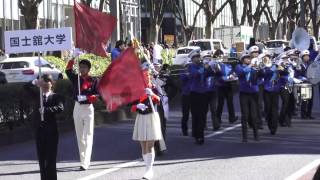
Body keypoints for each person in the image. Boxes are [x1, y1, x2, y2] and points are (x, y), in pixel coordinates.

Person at [24, 74, 64, 180]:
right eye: (43, 81)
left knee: (51, 159)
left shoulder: (56, 96)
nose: (45, 84)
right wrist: (35, 81)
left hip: (51, 132)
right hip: (39, 131)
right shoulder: (37, 95)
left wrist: (46, 110)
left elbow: (60, 108)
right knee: (41, 159)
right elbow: (26, 87)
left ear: (52, 83)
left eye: (47, 81)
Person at [66, 57, 99, 170]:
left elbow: (98, 95)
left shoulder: (94, 80)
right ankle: (82, 160)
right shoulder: (76, 79)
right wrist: (73, 59)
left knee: (88, 135)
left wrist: (88, 97)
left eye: (84, 67)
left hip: (88, 108)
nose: (82, 69)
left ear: (88, 69)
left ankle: (86, 162)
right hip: (78, 108)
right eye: (80, 67)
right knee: (80, 136)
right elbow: (68, 71)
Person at [131, 69, 163, 180]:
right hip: (141, 117)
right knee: (143, 145)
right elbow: (131, 105)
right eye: (144, 75)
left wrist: (152, 94)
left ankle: (150, 170)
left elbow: (160, 99)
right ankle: (147, 168)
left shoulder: (154, 86)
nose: (146, 77)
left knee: (150, 144)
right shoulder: (137, 90)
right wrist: (137, 106)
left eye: (148, 75)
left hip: (151, 117)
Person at [235, 53, 260, 142]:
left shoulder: (254, 67)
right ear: (242, 60)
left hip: (253, 92)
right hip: (244, 93)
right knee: (245, 115)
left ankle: (256, 135)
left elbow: (260, 77)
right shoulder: (239, 67)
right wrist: (250, 66)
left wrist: (260, 69)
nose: (249, 59)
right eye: (247, 58)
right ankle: (244, 136)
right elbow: (241, 73)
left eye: (249, 58)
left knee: (254, 115)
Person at [188, 50, 207, 144]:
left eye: (199, 56)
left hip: (203, 92)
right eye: (196, 57)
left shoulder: (202, 65)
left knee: (202, 114)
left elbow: (211, 73)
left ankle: (200, 134)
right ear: (192, 59)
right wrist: (204, 68)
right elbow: (195, 74)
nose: (198, 58)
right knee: (196, 114)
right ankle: (197, 134)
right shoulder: (190, 66)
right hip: (194, 93)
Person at [295, 50, 314, 119]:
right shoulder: (299, 65)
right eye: (305, 56)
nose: (307, 57)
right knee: (305, 100)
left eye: (308, 56)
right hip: (304, 83)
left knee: (311, 100)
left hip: (310, 83)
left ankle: (309, 114)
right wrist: (305, 78)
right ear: (302, 57)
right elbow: (297, 75)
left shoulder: (310, 64)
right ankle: (303, 114)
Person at [180, 62, 191, 136]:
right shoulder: (183, 73)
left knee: (195, 112)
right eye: (186, 66)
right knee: (185, 114)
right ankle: (184, 129)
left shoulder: (193, 72)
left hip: (193, 94)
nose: (187, 68)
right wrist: (187, 74)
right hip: (185, 95)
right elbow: (182, 78)